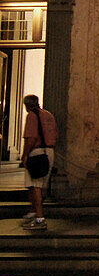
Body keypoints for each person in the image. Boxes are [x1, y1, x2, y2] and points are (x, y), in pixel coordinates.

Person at [20, 93, 57, 231]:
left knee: (35, 186)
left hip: (36, 152)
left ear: (27, 105)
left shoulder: (32, 116)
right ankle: (33, 212)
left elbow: (30, 138)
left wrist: (25, 155)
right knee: (38, 186)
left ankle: (39, 218)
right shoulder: (48, 115)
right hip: (49, 152)